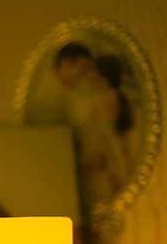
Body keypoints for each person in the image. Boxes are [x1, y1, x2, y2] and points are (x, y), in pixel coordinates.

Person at [53, 43, 130, 209]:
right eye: (84, 69)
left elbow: (109, 141)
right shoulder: (93, 100)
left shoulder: (102, 102)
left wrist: (111, 169)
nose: (85, 75)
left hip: (101, 170)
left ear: (103, 77)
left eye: (90, 70)